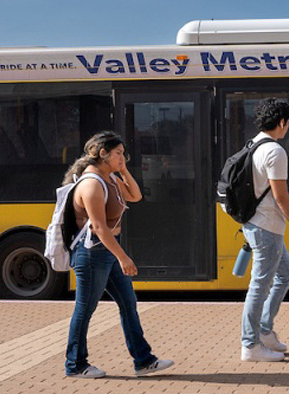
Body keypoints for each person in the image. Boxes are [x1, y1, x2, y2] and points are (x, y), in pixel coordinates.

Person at [64, 131, 174, 378]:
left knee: (128, 303)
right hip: (93, 254)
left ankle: (143, 361)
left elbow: (135, 196)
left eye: (123, 153)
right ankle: (75, 364)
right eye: (118, 153)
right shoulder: (92, 184)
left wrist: (123, 170)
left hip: (107, 251)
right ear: (103, 154)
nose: (123, 157)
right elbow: (99, 228)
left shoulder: (110, 178)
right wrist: (123, 257)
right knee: (85, 309)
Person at [240, 98, 289, 362]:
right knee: (259, 285)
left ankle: (264, 330)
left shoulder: (252, 144)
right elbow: (282, 197)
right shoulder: (275, 151)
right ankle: (251, 344)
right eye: (288, 123)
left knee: (285, 273)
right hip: (266, 226)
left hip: (256, 224)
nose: (288, 128)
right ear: (282, 122)